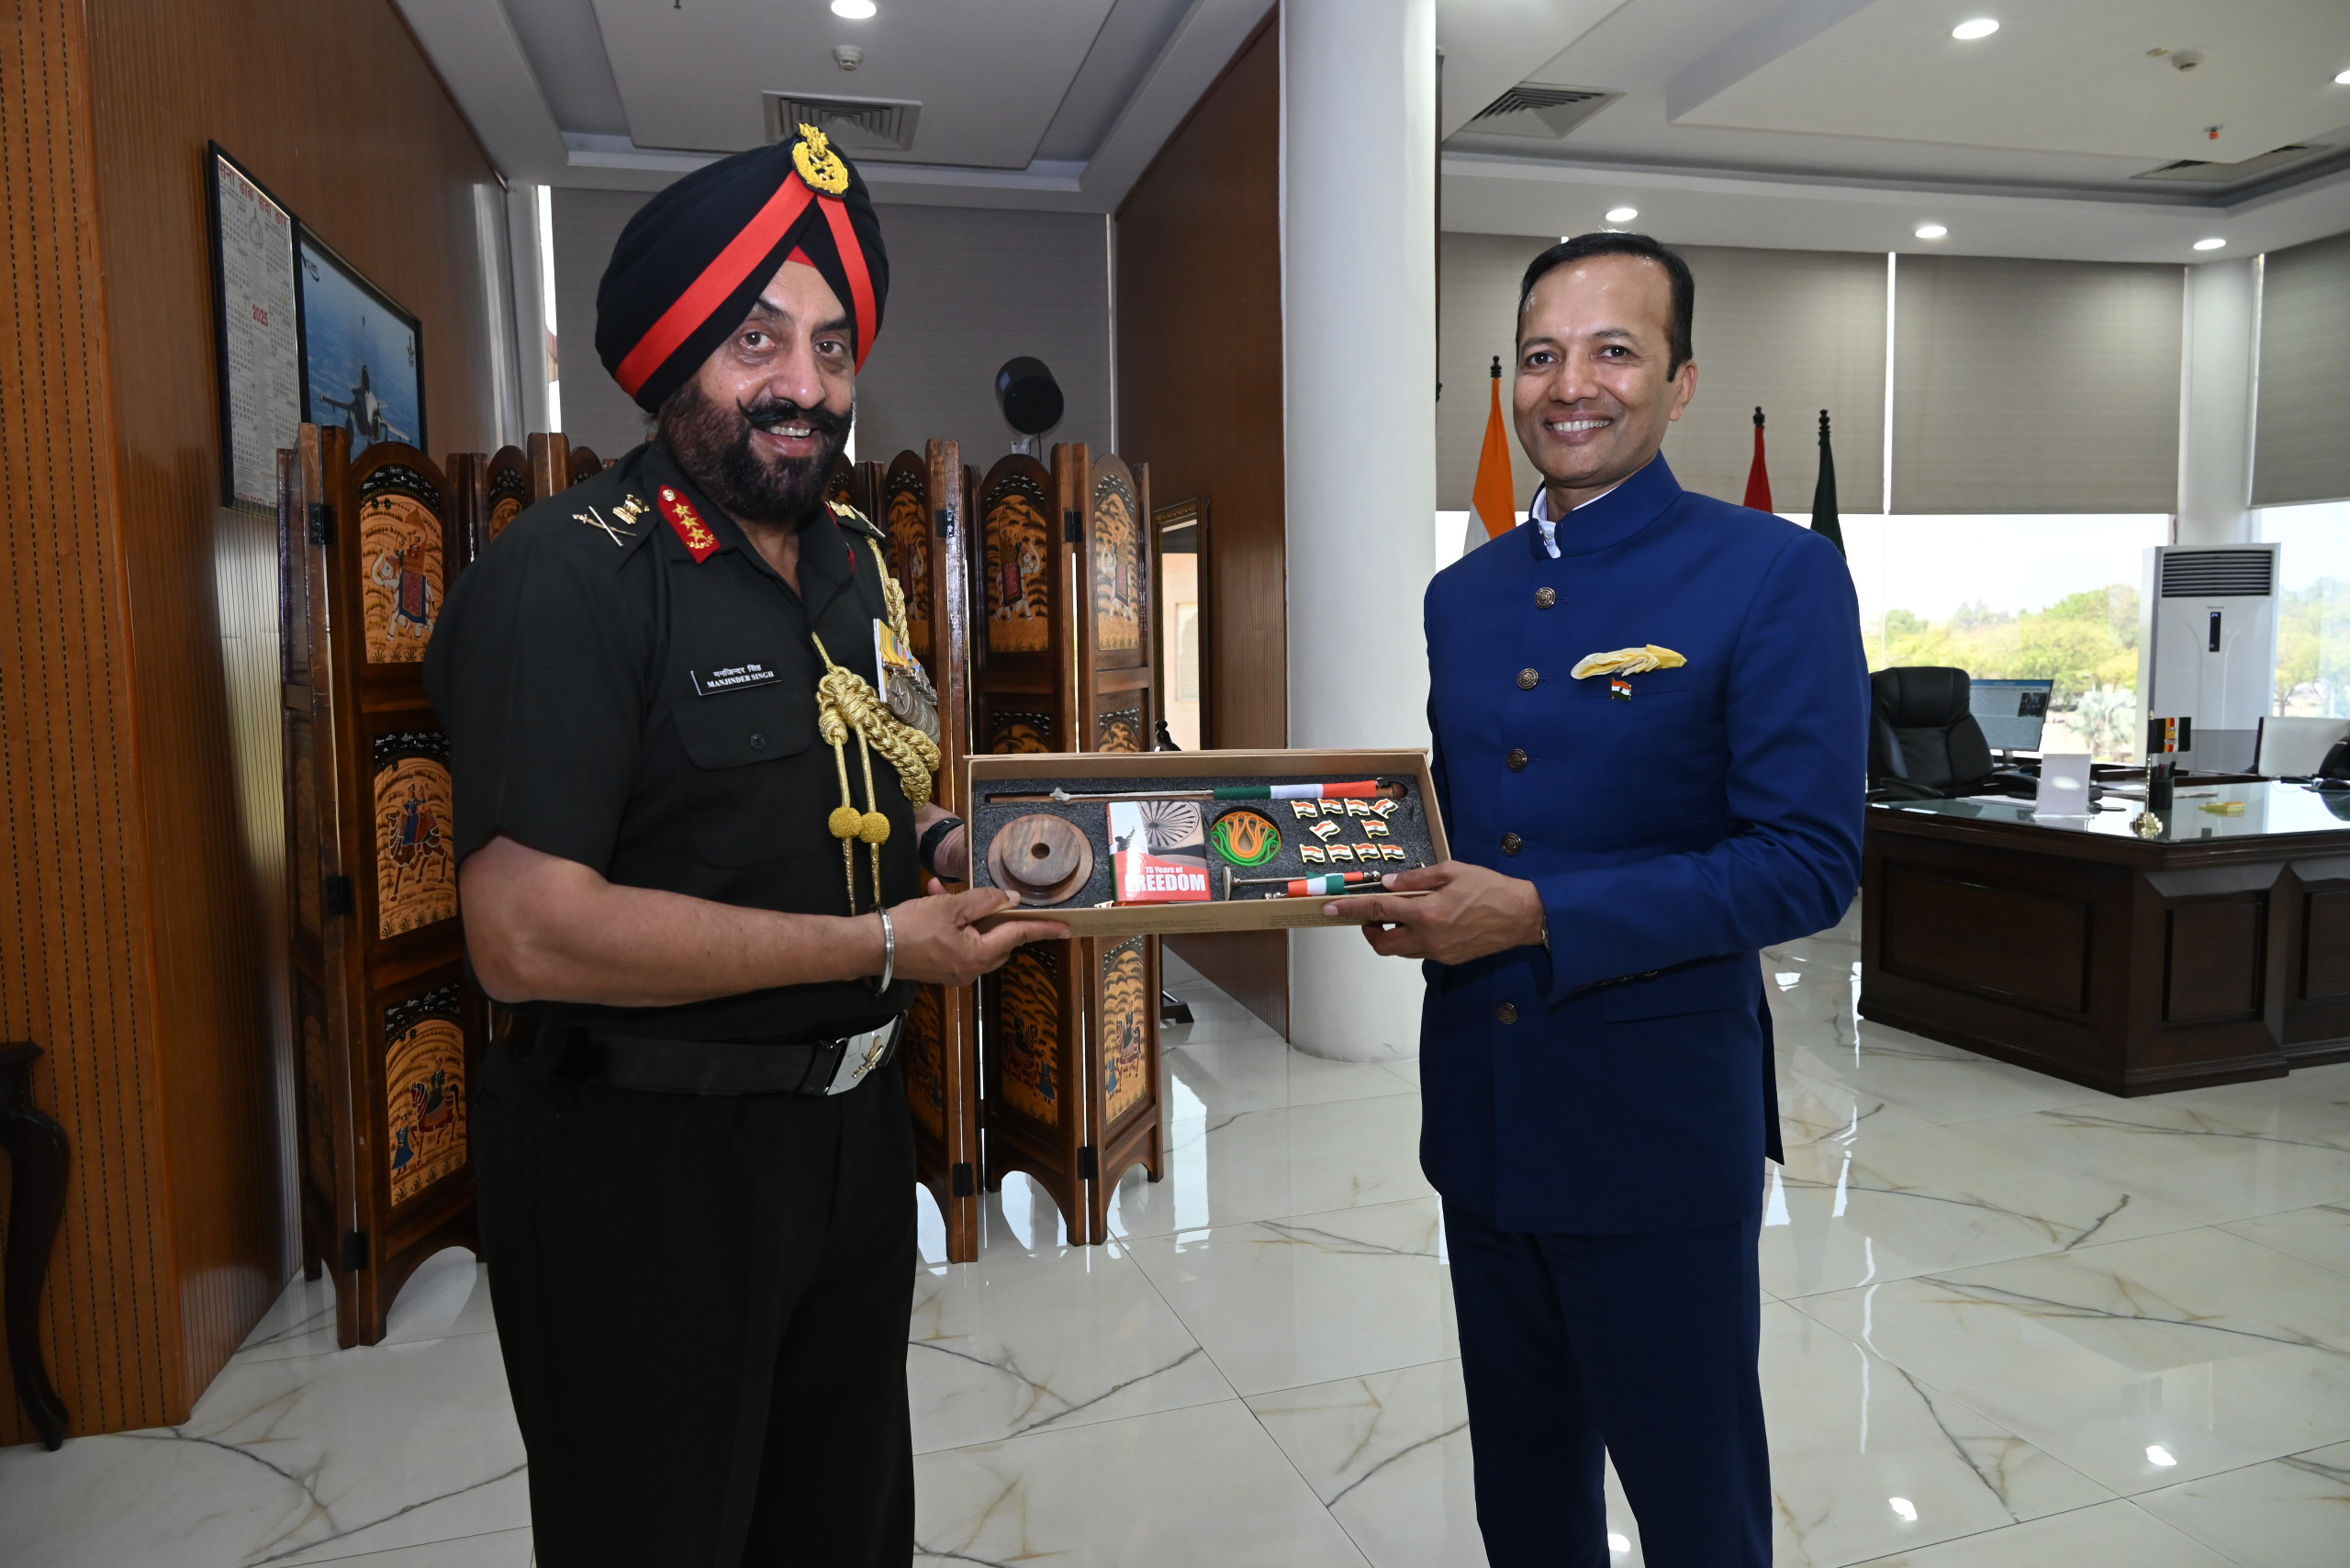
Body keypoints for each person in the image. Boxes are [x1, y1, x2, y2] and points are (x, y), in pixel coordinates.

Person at [423, 125, 1062, 1567]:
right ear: (668, 360)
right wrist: (883, 946)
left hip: (844, 1136)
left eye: (833, 348)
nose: (805, 384)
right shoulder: (566, 579)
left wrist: (958, 842)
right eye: (756, 338)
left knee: (839, 1521)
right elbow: (524, 934)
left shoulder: (850, 561)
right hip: (640, 1167)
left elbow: (874, 778)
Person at [1340, 231, 1867, 1566]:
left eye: (1614, 350)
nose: (1569, 384)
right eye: (1540, 356)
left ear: (1681, 382)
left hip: (1653, 1139)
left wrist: (1534, 916)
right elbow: (1473, 818)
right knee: (1524, 1500)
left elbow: (1807, 859)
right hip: (1480, 1122)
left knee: (1696, 1510)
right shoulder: (1463, 597)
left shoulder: (1772, 576)